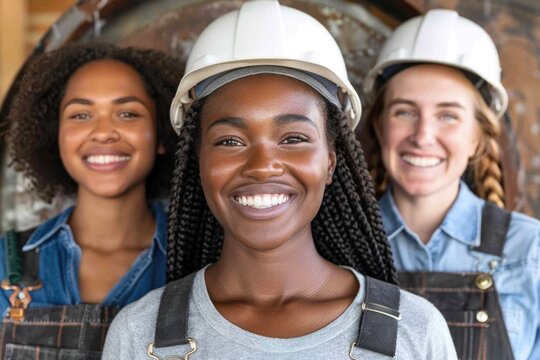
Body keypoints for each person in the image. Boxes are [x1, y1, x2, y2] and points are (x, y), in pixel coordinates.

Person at [102, 1, 457, 359]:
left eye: (293, 139)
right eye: (230, 141)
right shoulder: (139, 333)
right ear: (198, 161)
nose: (262, 166)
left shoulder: (414, 330)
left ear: (331, 162)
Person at [362, 8, 540, 360]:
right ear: (380, 127)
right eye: (404, 112)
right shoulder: (340, 247)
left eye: (448, 115)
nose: (422, 136)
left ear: (478, 138)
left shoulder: (529, 252)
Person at [0, 43, 179, 358]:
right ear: (56, 136)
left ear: (161, 134)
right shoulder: (6, 264)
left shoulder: (204, 267)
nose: (103, 132)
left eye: (127, 113)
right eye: (81, 114)